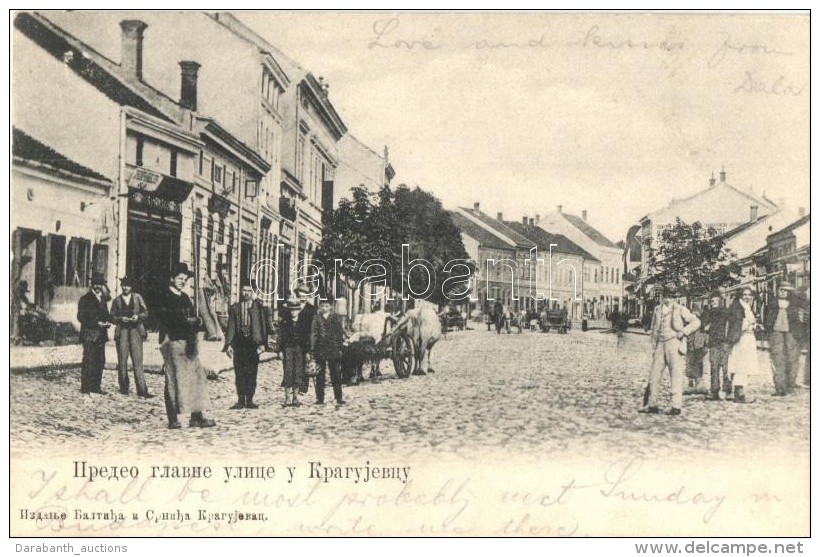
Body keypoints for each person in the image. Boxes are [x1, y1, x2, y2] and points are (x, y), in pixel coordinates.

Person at [156, 262, 215, 429]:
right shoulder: (165, 297)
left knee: (196, 379)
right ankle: (173, 418)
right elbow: (168, 320)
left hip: (189, 343)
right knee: (174, 380)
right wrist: (187, 322)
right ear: (172, 279)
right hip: (173, 342)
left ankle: (196, 416)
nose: (182, 281)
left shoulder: (185, 298)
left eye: (185, 279)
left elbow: (195, 320)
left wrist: (197, 321)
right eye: (179, 278)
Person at [641, 283, 701, 416]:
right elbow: (654, 329)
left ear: (675, 297)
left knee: (676, 375)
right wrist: (653, 346)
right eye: (666, 295)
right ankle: (652, 404)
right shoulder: (658, 309)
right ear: (662, 296)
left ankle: (676, 406)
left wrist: (684, 331)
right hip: (660, 344)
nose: (668, 299)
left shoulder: (680, 309)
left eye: (671, 296)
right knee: (654, 375)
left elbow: (696, 322)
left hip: (674, 343)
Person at [223, 282, 269, 409]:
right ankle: (240, 399)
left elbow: (263, 326)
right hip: (239, 343)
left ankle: (249, 400)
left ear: (253, 292)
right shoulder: (235, 308)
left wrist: (263, 344)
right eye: (244, 290)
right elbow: (231, 327)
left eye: (249, 290)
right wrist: (229, 344)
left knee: (251, 371)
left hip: (252, 343)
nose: (246, 293)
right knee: (239, 371)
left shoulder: (258, 308)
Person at [110, 276, 153, 398]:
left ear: (131, 287)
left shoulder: (137, 298)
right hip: (122, 331)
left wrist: (138, 317)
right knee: (122, 360)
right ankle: (124, 387)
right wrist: (119, 319)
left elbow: (146, 312)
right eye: (123, 285)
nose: (125, 287)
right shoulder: (116, 301)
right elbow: (111, 317)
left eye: (128, 285)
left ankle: (142, 390)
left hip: (135, 330)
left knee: (137, 360)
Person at [764, 281, 803, 396]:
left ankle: (790, 385)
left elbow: (799, 320)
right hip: (776, 333)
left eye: (785, 290)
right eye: (781, 289)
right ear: (778, 290)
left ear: (789, 292)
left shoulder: (794, 304)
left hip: (791, 333)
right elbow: (767, 319)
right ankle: (780, 387)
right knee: (778, 360)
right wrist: (767, 332)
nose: (783, 292)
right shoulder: (772, 303)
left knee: (792, 359)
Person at [310, 295, 349, 406]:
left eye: (327, 306)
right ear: (319, 306)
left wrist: (340, 348)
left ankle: (339, 397)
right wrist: (312, 349)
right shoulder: (316, 318)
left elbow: (339, 333)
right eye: (322, 306)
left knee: (336, 374)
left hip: (333, 348)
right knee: (320, 375)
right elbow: (313, 334)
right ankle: (320, 398)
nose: (324, 308)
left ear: (331, 307)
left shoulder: (336, 318)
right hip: (320, 349)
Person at [77, 276, 113, 394]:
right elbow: (81, 317)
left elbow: (106, 315)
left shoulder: (103, 299)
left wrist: (108, 322)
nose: (98, 287)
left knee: (100, 360)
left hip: (101, 335)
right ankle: (85, 387)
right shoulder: (85, 299)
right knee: (88, 360)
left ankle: (96, 386)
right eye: (96, 284)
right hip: (90, 334)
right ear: (92, 285)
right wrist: (96, 323)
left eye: (100, 284)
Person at [726, 287, 760, 403]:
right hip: (741, 340)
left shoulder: (747, 307)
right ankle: (738, 394)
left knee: (743, 365)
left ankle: (738, 392)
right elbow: (737, 324)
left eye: (749, 295)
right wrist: (750, 325)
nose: (747, 297)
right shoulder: (738, 308)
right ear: (740, 296)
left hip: (748, 339)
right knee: (741, 365)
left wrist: (754, 325)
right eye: (745, 294)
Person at [700, 291, 731, 401]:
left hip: (724, 342)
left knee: (726, 368)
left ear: (720, 301)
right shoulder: (708, 313)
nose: (714, 303)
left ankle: (728, 391)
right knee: (714, 367)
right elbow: (704, 326)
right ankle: (714, 391)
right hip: (713, 343)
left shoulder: (726, 312)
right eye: (712, 301)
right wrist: (706, 326)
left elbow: (730, 325)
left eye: (716, 301)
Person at [278, 296, 304, 407]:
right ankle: (287, 398)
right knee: (288, 371)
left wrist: (307, 352)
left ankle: (295, 398)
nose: (293, 312)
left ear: (299, 310)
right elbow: (281, 337)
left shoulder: (303, 322)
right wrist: (279, 351)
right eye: (291, 310)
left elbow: (305, 338)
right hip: (287, 349)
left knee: (298, 372)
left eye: (296, 309)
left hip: (299, 349)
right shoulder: (284, 322)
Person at [295, 284, 317, 393]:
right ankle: (295, 385)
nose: (302, 297)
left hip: (307, 339)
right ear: (297, 295)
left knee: (305, 362)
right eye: (300, 294)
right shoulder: (294, 306)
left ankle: (303, 387)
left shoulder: (312, 309)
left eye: (305, 295)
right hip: (295, 339)